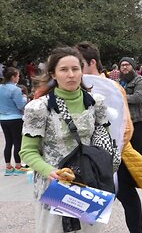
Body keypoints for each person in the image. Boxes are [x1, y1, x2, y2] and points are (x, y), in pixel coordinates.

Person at [19, 47, 108, 232]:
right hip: (54, 184)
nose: (71, 75)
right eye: (64, 70)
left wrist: (106, 169)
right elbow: (27, 151)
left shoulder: (96, 102)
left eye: (75, 69)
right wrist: (50, 171)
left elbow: (103, 140)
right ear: (53, 73)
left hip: (89, 182)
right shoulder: (38, 108)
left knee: (89, 230)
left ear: (82, 70)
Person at [76, 41, 142, 233]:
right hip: (84, 155)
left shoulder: (113, 88)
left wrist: (115, 149)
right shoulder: (74, 86)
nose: (74, 71)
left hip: (114, 153)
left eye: (78, 65)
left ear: (92, 62)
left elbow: (126, 124)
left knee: (126, 195)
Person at [0, 67, 28, 176]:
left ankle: (8, 167)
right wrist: (24, 98)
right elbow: (20, 105)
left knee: (8, 142)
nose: (18, 78)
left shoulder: (0, 87)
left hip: (3, 118)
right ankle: (18, 166)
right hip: (15, 118)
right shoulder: (16, 90)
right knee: (17, 142)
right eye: (17, 76)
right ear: (13, 77)